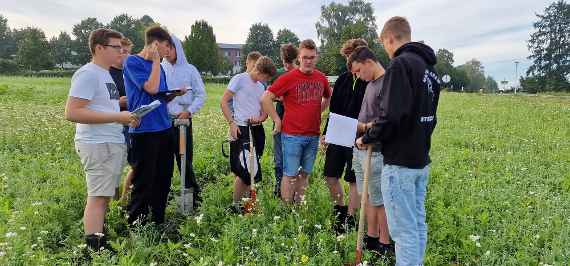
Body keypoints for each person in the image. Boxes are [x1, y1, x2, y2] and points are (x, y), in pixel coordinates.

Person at [355, 16, 440, 265]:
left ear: (390, 38)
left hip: (400, 163)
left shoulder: (400, 65)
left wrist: (367, 138)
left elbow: (391, 116)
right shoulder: (430, 71)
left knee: (403, 231)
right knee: (416, 224)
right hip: (420, 160)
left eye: (385, 44)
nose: (387, 50)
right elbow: (430, 118)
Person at [64, 28, 139, 251]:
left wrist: (124, 114)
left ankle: (99, 238)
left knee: (104, 196)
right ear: (99, 48)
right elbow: (72, 112)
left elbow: (102, 106)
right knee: (97, 198)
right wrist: (117, 116)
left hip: (109, 142)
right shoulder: (88, 73)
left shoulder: (105, 74)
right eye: (116, 47)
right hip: (97, 144)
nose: (122, 52)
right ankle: (95, 250)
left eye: (123, 48)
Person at [123, 25, 185, 225]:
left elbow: (159, 97)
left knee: (163, 179)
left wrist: (173, 94)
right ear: (156, 44)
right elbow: (150, 88)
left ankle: (158, 221)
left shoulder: (160, 67)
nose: (169, 52)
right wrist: (157, 61)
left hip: (164, 128)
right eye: (167, 47)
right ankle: (136, 225)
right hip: (143, 131)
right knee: (143, 182)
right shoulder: (133, 62)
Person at [261, 39, 331, 204]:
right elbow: (265, 98)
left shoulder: (321, 78)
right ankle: (286, 210)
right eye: (305, 57)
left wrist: (318, 111)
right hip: (292, 135)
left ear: (317, 57)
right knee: (290, 174)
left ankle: (298, 208)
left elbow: (328, 96)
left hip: (313, 135)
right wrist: (277, 120)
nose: (308, 61)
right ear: (299, 57)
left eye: (312, 57)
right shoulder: (289, 77)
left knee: (304, 174)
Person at [349, 46, 394, 255]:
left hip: (375, 152)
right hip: (359, 148)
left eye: (359, 71)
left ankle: (385, 244)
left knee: (380, 200)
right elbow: (365, 115)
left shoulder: (388, 84)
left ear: (368, 62)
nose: (358, 76)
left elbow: (388, 121)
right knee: (365, 196)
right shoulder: (370, 85)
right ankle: (371, 237)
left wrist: (366, 130)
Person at [321, 38, 368, 233]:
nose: (350, 61)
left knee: (353, 179)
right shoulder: (341, 79)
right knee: (330, 175)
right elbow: (333, 109)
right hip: (337, 135)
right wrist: (325, 134)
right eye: (348, 56)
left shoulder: (368, 81)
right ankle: (339, 211)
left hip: (357, 137)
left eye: (353, 56)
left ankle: (350, 218)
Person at [220, 54, 277, 213]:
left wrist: (259, 118)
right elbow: (223, 102)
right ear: (260, 71)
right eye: (266, 77)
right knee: (244, 170)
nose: (265, 81)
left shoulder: (261, 87)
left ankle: (247, 205)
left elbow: (264, 112)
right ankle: (236, 205)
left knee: (253, 168)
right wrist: (231, 123)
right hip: (240, 128)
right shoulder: (239, 79)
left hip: (256, 130)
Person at [162, 35, 207, 205]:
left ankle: (192, 199)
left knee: (184, 160)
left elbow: (201, 94)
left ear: (177, 48)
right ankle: (163, 199)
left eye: (170, 47)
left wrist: (188, 111)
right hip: (163, 122)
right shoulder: (159, 68)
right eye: (163, 48)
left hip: (183, 121)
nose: (166, 52)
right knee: (163, 162)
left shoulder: (190, 70)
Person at [107, 37, 135, 203]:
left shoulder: (129, 72)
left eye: (128, 52)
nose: (125, 55)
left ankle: (125, 200)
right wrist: (119, 102)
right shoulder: (108, 73)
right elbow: (101, 103)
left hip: (131, 123)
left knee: (136, 164)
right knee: (115, 168)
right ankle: (113, 203)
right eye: (123, 51)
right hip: (114, 126)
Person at [270, 43, 298, 198]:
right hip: (283, 120)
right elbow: (270, 95)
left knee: (288, 160)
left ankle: (288, 192)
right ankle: (281, 190)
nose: (286, 64)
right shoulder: (280, 75)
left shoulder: (296, 75)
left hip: (292, 124)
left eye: (287, 61)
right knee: (282, 159)